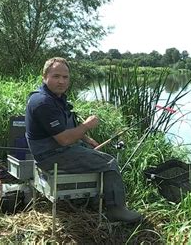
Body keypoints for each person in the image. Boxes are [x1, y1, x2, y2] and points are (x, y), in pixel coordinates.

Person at [25, 57, 142, 223]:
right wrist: (87, 125)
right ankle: (116, 209)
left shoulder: (55, 98)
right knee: (109, 163)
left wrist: (86, 139)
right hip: (51, 155)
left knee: (99, 156)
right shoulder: (42, 102)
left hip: (57, 150)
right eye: (56, 76)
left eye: (65, 77)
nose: (61, 81)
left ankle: (96, 202)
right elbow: (65, 139)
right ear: (44, 76)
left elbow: (62, 128)